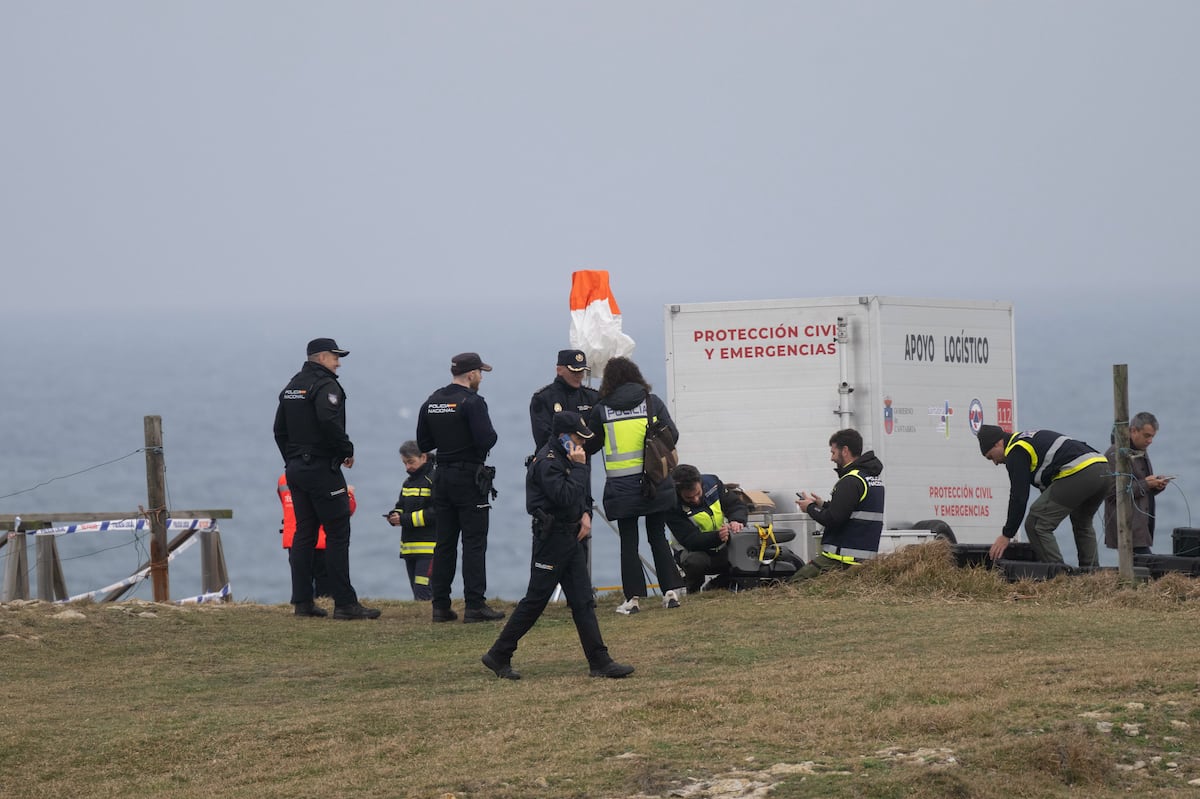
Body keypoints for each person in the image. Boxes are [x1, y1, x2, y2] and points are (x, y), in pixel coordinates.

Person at [481, 412, 634, 680]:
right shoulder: (548, 462)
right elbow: (564, 496)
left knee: (583, 601)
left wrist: (585, 512)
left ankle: (600, 661)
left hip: (570, 536)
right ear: (563, 436)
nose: (582, 443)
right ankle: (499, 654)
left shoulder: (568, 457)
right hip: (551, 539)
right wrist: (580, 468)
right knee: (536, 600)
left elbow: (578, 495)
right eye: (578, 437)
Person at [273, 337, 379, 620]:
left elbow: (279, 430)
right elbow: (328, 420)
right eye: (335, 357)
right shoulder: (326, 385)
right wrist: (346, 450)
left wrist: (292, 459)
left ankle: (302, 602)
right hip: (321, 469)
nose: (338, 363)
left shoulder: (292, 387)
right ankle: (344, 604)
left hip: (296, 469)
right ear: (321, 358)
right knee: (337, 532)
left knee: (304, 533)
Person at [586, 356, 684, 614]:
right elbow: (672, 435)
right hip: (655, 481)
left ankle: (633, 600)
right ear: (635, 375)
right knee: (657, 536)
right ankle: (670, 593)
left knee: (628, 542)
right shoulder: (652, 402)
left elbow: (590, 446)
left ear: (608, 380)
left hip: (621, 487)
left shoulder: (602, 410)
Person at [416, 352, 506, 623]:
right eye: (480, 373)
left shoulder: (432, 401)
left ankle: (440, 606)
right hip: (468, 478)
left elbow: (424, 443)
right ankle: (475, 605)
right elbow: (487, 439)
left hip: (441, 476)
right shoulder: (473, 402)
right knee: (474, 542)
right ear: (471, 374)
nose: (481, 378)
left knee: (444, 543)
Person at [978, 424, 1107, 568]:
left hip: (1082, 471)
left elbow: (1019, 497)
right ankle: (1091, 572)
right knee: (1082, 522)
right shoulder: (1027, 440)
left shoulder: (1016, 450)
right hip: (1103, 469)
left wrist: (1007, 534)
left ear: (998, 443)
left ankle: (1059, 574)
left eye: (991, 457)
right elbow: (1050, 489)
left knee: (1036, 523)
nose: (995, 462)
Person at [795, 429, 885, 579]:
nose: (831, 458)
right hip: (862, 560)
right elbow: (851, 511)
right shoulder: (870, 479)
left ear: (845, 451)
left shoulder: (850, 481)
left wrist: (809, 508)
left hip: (841, 560)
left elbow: (832, 519)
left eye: (833, 452)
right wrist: (822, 504)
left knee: (796, 582)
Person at [664, 464, 748, 593]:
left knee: (747, 552)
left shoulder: (713, 484)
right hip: (693, 552)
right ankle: (693, 590)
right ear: (678, 492)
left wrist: (737, 520)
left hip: (723, 547)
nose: (696, 499)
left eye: (698, 493)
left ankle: (718, 585)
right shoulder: (671, 505)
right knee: (695, 561)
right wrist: (717, 536)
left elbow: (736, 505)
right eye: (689, 498)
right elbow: (690, 539)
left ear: (701, 483)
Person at [278, 474, 357, 599]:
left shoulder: (284, 478)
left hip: (294, 540)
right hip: (320, 539)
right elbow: (344, 509)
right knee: (324, 586)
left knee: (301, 581)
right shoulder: (324, 475)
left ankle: (302, 604)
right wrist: (349, 494)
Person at [1103, 412, 1170, 555]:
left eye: (1152, 437)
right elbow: (1113, 493)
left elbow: (1140, 487)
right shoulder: (1115, 454)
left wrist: (1156, 486)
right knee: (1149, 565)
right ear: (1133, 431)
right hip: (1126, 529)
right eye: (1147, 436)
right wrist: (1146, 484)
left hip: (1140, 530)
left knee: (1146, 566)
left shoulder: (1140, 450)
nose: (1150, 441)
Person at [386, 441, 437, 600]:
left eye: (411, 462)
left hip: (429, 550)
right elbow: (401, 506)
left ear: (423, 457)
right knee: (417, 592)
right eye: (404, 463)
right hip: (409, 548)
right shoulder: (408, 483)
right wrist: (395, 515)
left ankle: (434, 614)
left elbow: (436, 513)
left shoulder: (434, 479)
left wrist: (404, 519)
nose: (407, 467)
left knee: (423, 591)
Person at [529, 349, 600, 450]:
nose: (579, 375)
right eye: (574, 371)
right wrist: (572, 450)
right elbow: (543, 437)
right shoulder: (543, 399)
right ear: (559, 370)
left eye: (581, 371)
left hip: (582, 458)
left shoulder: (591, 397)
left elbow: (597, 434)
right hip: (552, 458)